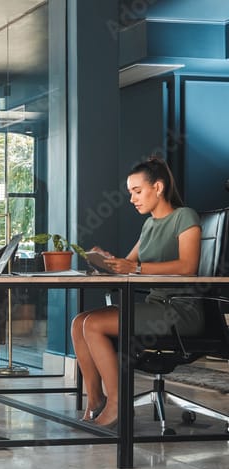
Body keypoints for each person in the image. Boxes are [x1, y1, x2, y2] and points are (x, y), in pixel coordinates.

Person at [71, 157, 202, 428]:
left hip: (180, 310)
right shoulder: (149, 225)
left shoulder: (184, 216)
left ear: (158, 187)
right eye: (130, 193)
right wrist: (108, 263)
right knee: (79, 322)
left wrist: (136, 267)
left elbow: (188, 267)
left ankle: (118, 403)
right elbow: (129, 267)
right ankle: (95, 400)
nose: (132, 199)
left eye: (137, 191)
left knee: (93, 324)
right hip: (155, 306)